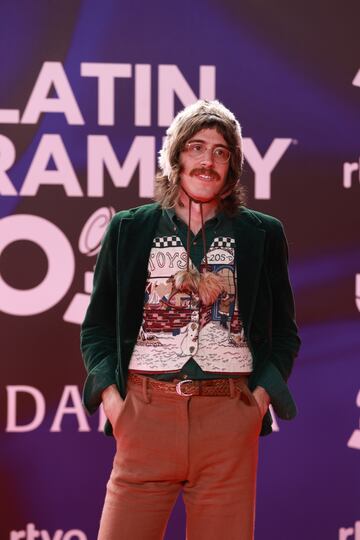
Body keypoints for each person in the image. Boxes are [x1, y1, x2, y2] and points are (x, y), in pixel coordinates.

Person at [80, 100, 301, 540]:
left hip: (228, 419)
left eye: (221, 152)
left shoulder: (263, 233)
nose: (208, 161)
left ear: (233, 166)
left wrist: (256, 400)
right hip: (144, 415)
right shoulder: (128, 228)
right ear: (175, 156)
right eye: (196, 147)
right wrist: (113, 401)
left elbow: (284, 334)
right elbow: (98, 328)